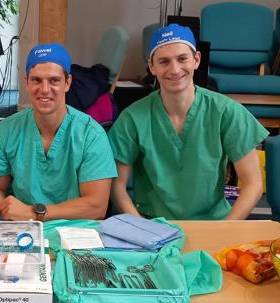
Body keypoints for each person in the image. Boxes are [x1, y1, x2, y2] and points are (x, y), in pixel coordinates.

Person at [108, 24, 267, 221]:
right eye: (164, 61)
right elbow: (117, 185)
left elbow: (253, 184)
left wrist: (225, 230)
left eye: (182, 59)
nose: (175, 69)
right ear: (152, 67)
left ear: (196, 60)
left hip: (214, 224)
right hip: (153, 224)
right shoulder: (133, 118)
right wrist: (141, 229)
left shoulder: (225, 111)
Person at [0, 43, 117, 226]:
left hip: (75, 231)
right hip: (21, 228)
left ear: (67, 83)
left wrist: (34, 212)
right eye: (36, 80)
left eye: (54, 80)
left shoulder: (91, 135)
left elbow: (96, 206)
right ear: (26, 82)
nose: (45, 89)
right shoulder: (5, 130)